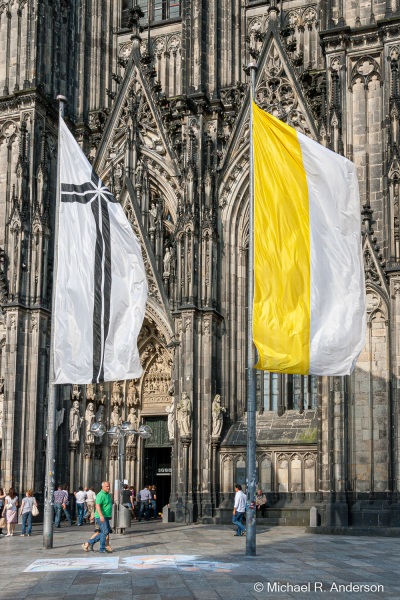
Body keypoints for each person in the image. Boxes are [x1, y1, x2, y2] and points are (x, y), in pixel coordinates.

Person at [82, 481, 113, 554]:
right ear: (103, 487)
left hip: (106, 516)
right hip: (100, 516)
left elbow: (107, 505)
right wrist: (101, 516)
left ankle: (93, 545)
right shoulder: (100, 495)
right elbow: (97, 506)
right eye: (107, 486)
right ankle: (94, 544)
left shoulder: (108, 494)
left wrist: (109, 515)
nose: (108, 487)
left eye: (109, 486)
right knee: (105, 532)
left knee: (105, 532)